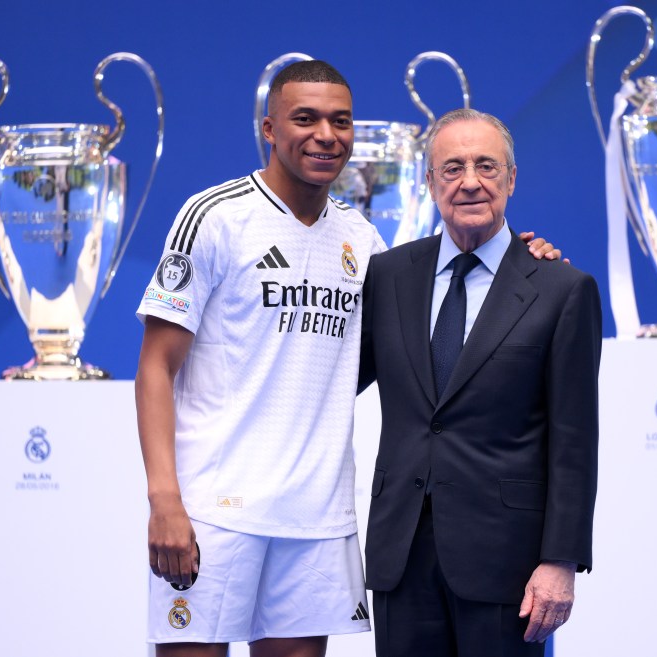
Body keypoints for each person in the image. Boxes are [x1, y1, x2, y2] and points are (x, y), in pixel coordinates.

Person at [134, 61, 563, 657]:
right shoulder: (214, 216)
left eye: (340, 121)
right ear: (269, 127)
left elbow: (430, 329)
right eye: (304, 119)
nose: (325, 135)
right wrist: (164, 502)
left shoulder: (365, 244)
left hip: (317, 518)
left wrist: (521, 257)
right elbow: (155, 366)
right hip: (215, 511)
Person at [359, 109, 602, 657]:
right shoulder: (388, 275)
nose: (469, 181)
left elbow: (575, 441)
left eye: (486, 166)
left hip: (508, 567)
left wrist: (560, 560)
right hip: (401, 557)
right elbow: (334, 378)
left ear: (511, 179)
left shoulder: (561, 289)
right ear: (429, 183)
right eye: (452, 168)